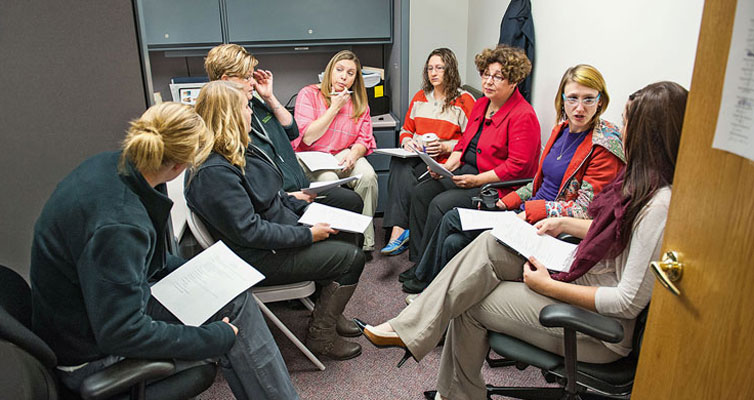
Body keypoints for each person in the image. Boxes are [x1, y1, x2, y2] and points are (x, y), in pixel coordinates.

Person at [356, 81, 688, 400]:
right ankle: (417, 338)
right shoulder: (641, 183)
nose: (620, 129)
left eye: (628, 122)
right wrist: (563, 222)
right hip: (583, 270)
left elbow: (626, 302)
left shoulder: (659, 205)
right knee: (490, 245)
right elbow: (616, 232)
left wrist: (548, 288)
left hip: (598, 326)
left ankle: (455, 391)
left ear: (647, 134)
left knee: (470, 299)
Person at [30, 102, 299, 399]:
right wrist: (213, 338)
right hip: (89, 354)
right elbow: (121, 332)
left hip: (94, 311)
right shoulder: (119, 225)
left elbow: (145, 264)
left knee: (233, 299)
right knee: (235, 321)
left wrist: (202, 272)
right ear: (179, 166)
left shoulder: (118, 167)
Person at [401, 64, 625, 293]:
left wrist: (529, 211)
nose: (579, 107)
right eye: (573, 98)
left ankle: (427, 286)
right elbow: (538, 182)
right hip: (523, 212)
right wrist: (505, 202)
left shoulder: (603, 145)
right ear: (563, 99)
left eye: (588, 99)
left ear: (600, 101)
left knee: (450, 219)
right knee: (450, 235)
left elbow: (585, 210)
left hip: (543, 227)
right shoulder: (562, 129)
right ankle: (432, 288)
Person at [185, 81, 365, 361]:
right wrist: (308, 235)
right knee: (352, 257)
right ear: (229, 115)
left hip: (275, 235)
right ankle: (322, 335)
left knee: (345, 227)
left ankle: (331, 312)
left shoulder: (238, 149)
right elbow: (251, 232)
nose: (250, 112)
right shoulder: (214, 172)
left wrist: (302, 208)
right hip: (257, 258)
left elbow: (272, 197)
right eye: (245, 106)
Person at [203, 44, 364, 240]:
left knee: (351, 203)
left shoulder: (255, 103)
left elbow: (292, 131)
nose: (252, 82)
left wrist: (269, 97)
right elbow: (252, 179)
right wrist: (284, 196)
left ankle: (345, 255)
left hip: (298, 186)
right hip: (282, 196)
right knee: (345, 211)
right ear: (226, 81)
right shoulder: (231, 122)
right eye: (246, 77)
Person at [404, 44, 541, 274]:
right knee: (421, 192)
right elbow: (463, 143)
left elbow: (517, 167)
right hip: (468, 171)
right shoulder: (481, 104)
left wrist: (476, 182)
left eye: (498, 77)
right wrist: (446, 167)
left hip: (495, 185)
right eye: (486, 74)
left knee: (440, 204)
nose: (488, 81)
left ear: (514, 80)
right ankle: (419, 262)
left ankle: (427, 274)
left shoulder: (523, 115)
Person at [380, 48, 475, 256]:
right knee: (399, 163)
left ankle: (398, 232)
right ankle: (400, 231)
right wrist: (407, 143)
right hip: (417, 155)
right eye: (430, 68)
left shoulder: (464, 100)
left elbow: (471, 140)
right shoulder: (420, 97)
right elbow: (406, 130)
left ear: (450, 70)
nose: (434, 73)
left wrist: (445, 146)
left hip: (443, 161)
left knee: (406, 175)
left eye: (439, 68)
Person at [293, 50, 378, 252]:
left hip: (342, 153)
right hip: (312, 157)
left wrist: (354, 153)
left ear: (355, 79)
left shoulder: (359, 101)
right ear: (330, 71)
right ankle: (334, 242)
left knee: (368, 176)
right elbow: (308, 137)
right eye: (339, 70)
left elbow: (364, 138)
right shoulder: (309, 94)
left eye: (350, 73)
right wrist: (334, 107)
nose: (343, 76)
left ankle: (363, 241)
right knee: (328, 180)